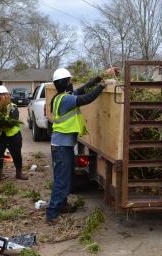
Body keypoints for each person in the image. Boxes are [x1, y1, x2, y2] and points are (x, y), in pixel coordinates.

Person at [46, 67, 119, 224]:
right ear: (65, 83)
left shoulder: (62, 96)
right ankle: (52, 214)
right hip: (61, 147)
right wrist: (103, 86)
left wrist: (101, 76)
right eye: (70, 80)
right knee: (61, 180)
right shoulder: (65, 100)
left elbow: (84, 89)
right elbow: (86, 98)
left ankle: (63, 205)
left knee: (67, 178)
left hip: (63, 145)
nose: (72, 83)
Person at [0, 85, 28, 181]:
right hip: (0, 136)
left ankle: (19, 173)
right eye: (0, 95)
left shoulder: (12, 107)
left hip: (13, 136)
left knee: (16, 155)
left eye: (4, 94)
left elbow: (12, 121)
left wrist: (1, 122)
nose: (3, 96)